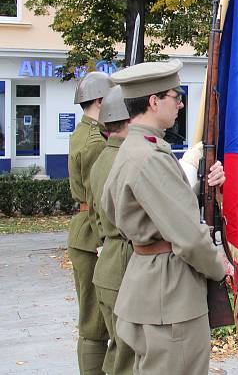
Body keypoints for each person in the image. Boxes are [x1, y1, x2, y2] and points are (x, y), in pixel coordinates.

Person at [100, 60, 228, 374]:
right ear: (154, 101)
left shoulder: (136, 148)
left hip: (153, 284)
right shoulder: (150, 156)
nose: (181, 103)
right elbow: (186, 235)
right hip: (170, 295)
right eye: (176, 95)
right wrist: (218, 265)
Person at [68, 70, 113, 374]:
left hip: (82, 227)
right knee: (95, 323)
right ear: (99, 100)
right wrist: (104, 240)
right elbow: (98, 195)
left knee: (93, 318)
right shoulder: (96, 141)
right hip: (92, 231)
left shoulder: (82, 132)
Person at [88, 85, 135, 375]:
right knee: (127, 357)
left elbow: (95, 217)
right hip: (124, 265)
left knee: (118, 350)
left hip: (110, 263)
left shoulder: (104, 156)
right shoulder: (124, 159)